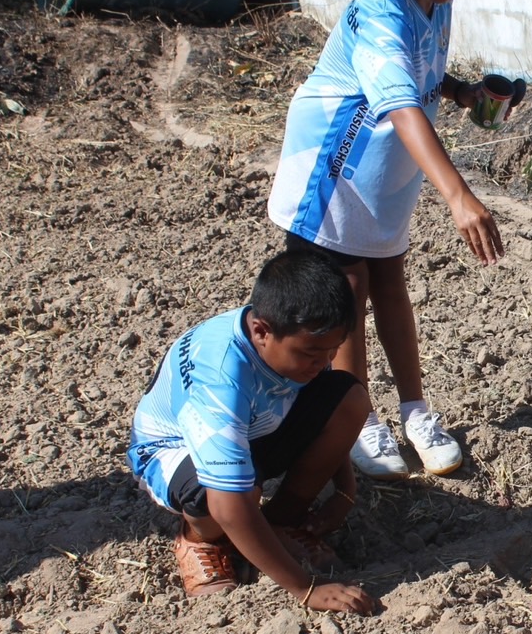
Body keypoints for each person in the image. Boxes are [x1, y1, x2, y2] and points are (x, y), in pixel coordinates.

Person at [268, 0, 511, 482]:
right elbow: (400, 103)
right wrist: (459, 196)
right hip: (336, 163)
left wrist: (463, 94)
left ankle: (414, 411)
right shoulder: (376, 11)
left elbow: (423, 71)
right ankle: (358, 419)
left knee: (391, 285)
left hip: (385, 167)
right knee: (348, 291)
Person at [127, 250, 379, 614]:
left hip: (254, 427)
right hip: (172, 453)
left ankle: (277, 523)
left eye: (332, 351)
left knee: (350, 398)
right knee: (226, 496)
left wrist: (346, 490)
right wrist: (307, 589)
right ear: (261, 331)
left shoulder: (295, 340)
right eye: (312, 353)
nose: (323, 362)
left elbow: (330, 406)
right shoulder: (220, 381)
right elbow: (228, 504)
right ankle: (200, 540)